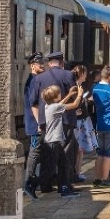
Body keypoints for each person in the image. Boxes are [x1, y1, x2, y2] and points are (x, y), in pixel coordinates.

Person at [30, 50, 78, 193]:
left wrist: (39, 122)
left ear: (49, 64)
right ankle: (65, 184)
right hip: (65, 119)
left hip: (46, 121)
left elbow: (33, 102)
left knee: (47, 153)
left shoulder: (39, 78)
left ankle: (45, 185)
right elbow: (74, 96)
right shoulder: (68, 75)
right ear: (62, 63)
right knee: (66, 153)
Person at [42, 84, 83, 197]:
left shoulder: (48, 106)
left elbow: (60, 104)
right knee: (51, 168)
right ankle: (31, 183)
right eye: (59, 93)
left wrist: (69, 94)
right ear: (55, 97)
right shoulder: (55, 107)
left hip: (53, 141)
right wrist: (79, 94)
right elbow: (74, 104)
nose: (61, 94)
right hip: (53, 142)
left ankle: (63, 188)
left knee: (64, 164)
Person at [23, 52, 45, 198]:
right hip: (35, 122)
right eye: (39, 63)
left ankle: (34, 181)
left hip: (36, 121)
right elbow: (33, 104)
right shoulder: (33, 81)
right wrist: (39, 123)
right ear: (32, 65)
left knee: (38, 151)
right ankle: (28, 181)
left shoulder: (36, 80)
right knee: (34, 151)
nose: (42, 65)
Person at [72, 64, 90, 182]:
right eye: (85, 73)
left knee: (80, 149)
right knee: (78, 149)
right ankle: (76, 173)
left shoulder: (79, 86)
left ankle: (78, 172)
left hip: (82, 120)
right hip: (77, 122)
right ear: (82, 74)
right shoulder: (74, 87)